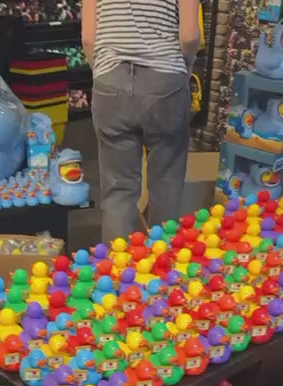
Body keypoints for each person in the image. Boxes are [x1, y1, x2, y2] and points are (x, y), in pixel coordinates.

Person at [82, 0, 201, 243]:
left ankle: (116, 264)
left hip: (110, 80)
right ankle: (160, 260)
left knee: (118, 192)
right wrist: (186, 67)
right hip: (165, 80)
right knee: (166, 185)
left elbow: (88, 39)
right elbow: (189, 36)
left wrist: (104, 72)